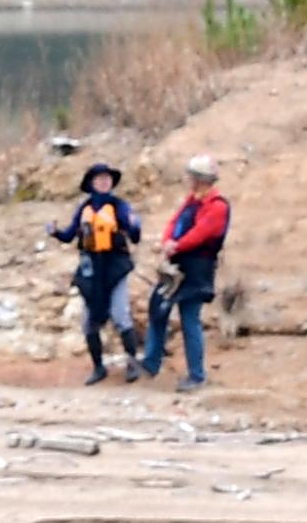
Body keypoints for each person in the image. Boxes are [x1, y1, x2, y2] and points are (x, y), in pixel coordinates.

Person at [135, 153, 231, 391]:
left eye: (191, 176)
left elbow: (201, 233)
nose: (187, 179)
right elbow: (173, 223)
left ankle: (197, 376)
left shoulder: (217, 206)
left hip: (197, 269)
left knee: (190, 320)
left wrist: (175, 245)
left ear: (199, 179)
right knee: (158, 309)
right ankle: (150, 363)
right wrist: (169, 241)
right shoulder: (192, 201)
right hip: (176, 265)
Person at [49, 161, 141, 383]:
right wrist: (54, 232)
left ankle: (132, 363)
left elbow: (135, 235)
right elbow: (70, 235)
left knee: (120, 315)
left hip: (115, 266)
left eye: (107, 178)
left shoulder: (120, 206)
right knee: (89, 322)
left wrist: (135, 225)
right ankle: (98, 367)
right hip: (91, 269)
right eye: (100, 179)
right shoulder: (84, 209)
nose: (104, 181)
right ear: (91, 183)